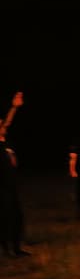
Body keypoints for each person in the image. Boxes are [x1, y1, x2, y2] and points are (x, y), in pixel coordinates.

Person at [1, 92, 29, 257]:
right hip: (1, 188)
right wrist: (13, 108)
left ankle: (17, 248)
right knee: (4, 217)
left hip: (12, 187)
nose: (2, 125)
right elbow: (7, 122)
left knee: (17, 216)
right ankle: (5, 250)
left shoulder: (7, 143)